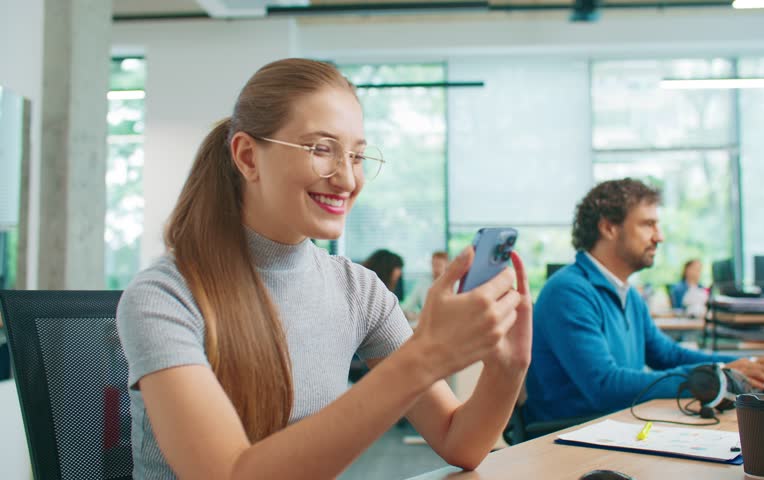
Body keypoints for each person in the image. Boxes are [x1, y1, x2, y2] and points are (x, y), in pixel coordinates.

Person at [116, 58, 532, 479]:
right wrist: (424, 357)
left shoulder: (358, 290)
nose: (348, 179)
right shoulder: (164, 297)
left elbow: (458, 441)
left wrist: (507, 369)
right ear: (247, 156)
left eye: (357, 155)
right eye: (321, 149)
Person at [524, 178, 764, 423]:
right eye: (648, 225)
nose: (659, 237)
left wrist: (750, 363)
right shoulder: (569, 292)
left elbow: (669, 355)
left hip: (617, 425)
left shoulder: (626, 293)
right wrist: (716, 377)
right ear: (609, 228)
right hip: (573, 438)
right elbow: (605, 386)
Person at [402, 251, 449, 325]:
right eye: (433, 265)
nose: (435, 269)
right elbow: (410, 304)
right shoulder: (423, 282)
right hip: (426, 322)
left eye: (439, 265)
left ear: (447, 265)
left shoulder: (454, 284)